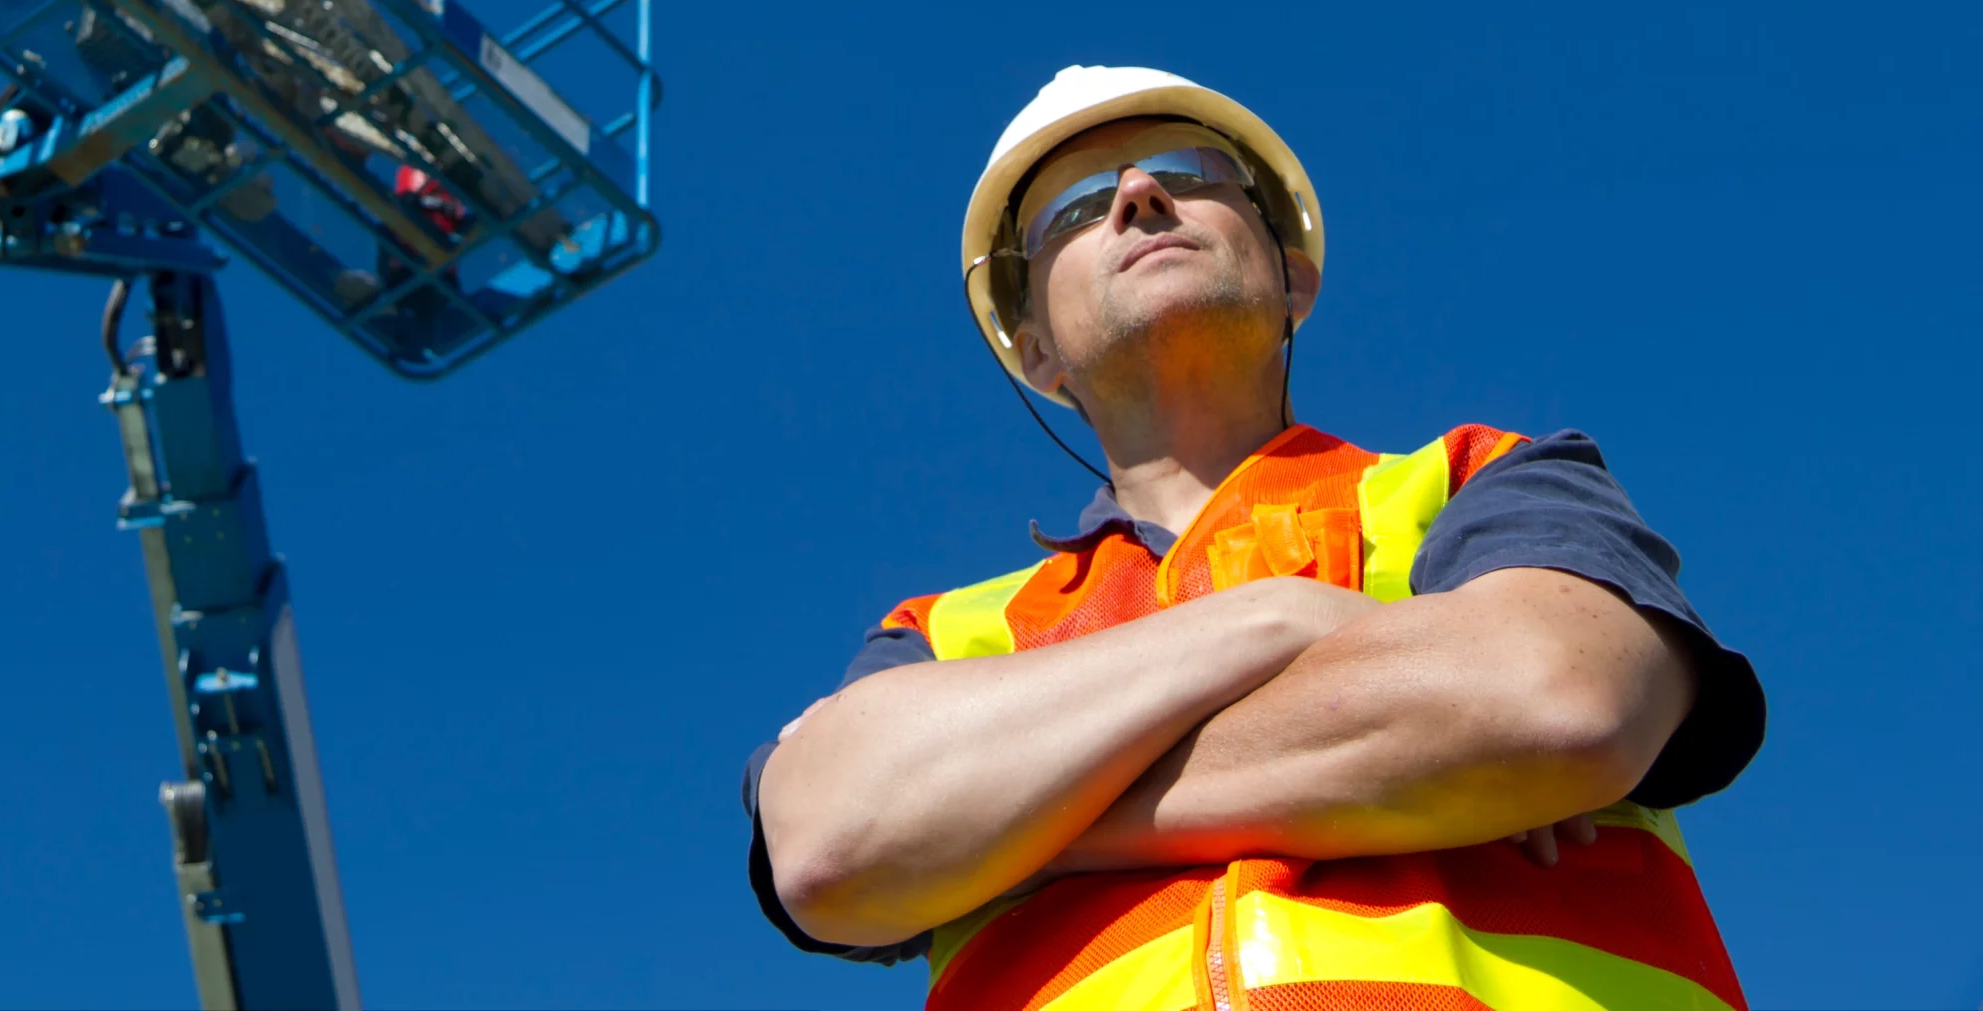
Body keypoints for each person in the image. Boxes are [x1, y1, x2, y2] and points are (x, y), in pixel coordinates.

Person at [743, 66, 1764, 1010]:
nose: (1139, 196)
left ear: (1293, 277)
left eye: (1188, 173)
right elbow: (832, 846)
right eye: (1077, 208)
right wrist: (1284, 618)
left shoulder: (1478, 481)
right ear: (1035, 349)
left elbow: (1558, 701)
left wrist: (1018, 832)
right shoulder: (942, 631)